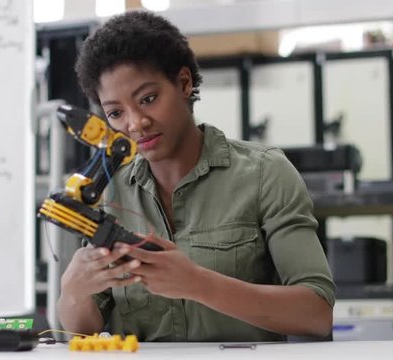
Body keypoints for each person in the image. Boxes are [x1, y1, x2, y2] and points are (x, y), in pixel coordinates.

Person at [57, 11, 334, 342]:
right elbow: (81, 331)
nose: (135, 123)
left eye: (148, 99)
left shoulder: (265, 173)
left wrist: (199, 284)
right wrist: (73, 292)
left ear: (184, 83)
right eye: (115, 112)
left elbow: (316, 314)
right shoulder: (109, 188)